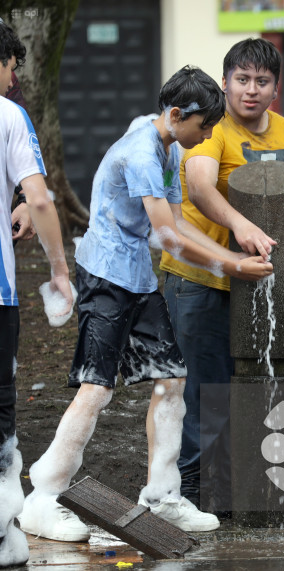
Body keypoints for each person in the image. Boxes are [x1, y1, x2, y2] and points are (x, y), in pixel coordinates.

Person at [17, 66, 273, 542]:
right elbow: (169, 238)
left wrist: (232, 255)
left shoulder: (167, 142)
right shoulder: (141, 153)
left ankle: (161, 495)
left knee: (171, 377)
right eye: (205, 126)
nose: (210, 135)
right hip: (106, 278)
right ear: (177, 114)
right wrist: (232, 266)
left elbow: (176, 223)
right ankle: (44, 498)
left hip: (135, 277)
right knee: (97, 387)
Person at [160, 38, 284, 517]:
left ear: (276, 89)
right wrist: (239, 225)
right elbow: (197, 186)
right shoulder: (210, 126)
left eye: (261, 81)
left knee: (243, 392)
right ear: (225, 82)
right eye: (241, 79)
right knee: (200, 393)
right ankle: (185, 500)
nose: (250, 90)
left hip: (253, 284)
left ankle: (229, 500)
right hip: (200, 277)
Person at [0, 21, 73, 568]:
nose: (15, 76)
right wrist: (59, 268)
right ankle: (4, 538)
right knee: (0, 416)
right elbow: (43, 201)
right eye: (12, 65)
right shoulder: (8, 115)